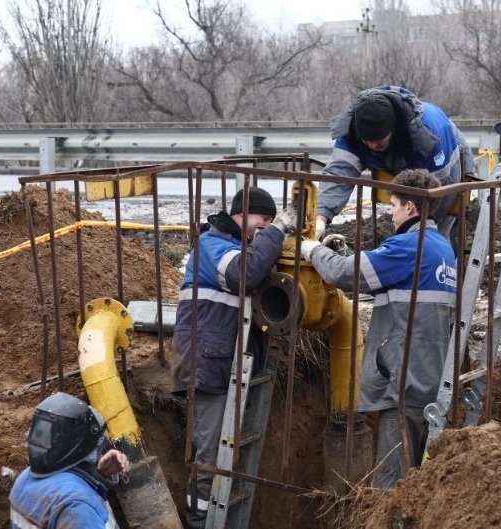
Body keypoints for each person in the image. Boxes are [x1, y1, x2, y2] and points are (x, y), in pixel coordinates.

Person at [301, 169, 457, 489]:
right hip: (429, 377)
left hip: (403, 383)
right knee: (417, 477)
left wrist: (313, 251)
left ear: (410, 208)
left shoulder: (409, 246)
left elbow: (345, 275)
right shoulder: (441, 247)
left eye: (395, 204)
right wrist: (343, 254)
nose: (390, 210)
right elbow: (386, 283)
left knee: (391, 486)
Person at [171, 186, 296, 529]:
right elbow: (245, 274)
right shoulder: (213, 245)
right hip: (207, 364)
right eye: (263, 219)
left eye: (270, 220)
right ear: (241, 214)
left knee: (226, 454)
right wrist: (277, 231)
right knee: (211, 455)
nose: (266, 225)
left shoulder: (238, 247)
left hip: (224, 360)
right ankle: (200, 522)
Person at [315, 84, 475, 244]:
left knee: (436, 234)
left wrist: (419, 230)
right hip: (401, 161)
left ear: (393, 129)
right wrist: (320, 218)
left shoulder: (427, 137)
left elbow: (436, 193)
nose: (371, 146)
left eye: (378, 141)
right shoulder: (352, 130)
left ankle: (445, 258)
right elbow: (338, 175)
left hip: (449, 156)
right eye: (366, 141)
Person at [9, 391, 130, 529]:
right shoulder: (77, 506)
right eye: (97, 443)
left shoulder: (24, 479)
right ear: (79, 447)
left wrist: (99, 474)